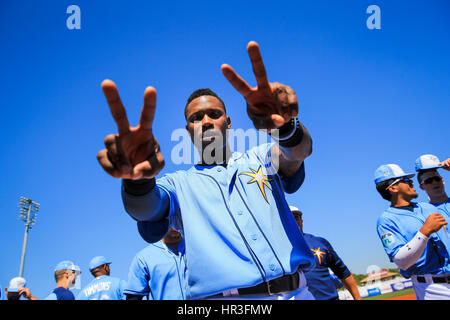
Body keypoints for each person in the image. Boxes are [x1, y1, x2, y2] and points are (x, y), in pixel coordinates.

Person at [97, 41, 316, 299]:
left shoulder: (260, 157)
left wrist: (286, 128)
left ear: (229, 122)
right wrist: (138, 181)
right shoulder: (178, 184)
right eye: (196, 118)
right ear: (188, 129)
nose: (206, 121)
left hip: (297, 293)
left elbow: (298, 153)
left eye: (214, 113)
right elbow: (146, 209)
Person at [374, 164, 450, 300]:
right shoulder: (386, 220)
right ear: (393, 188)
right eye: (406, 181)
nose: (411, 183)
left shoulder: (428, 207)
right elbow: (401, 262)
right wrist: (424, 232)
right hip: (431, 289)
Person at [289, 206, 362, 300]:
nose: (294, 221)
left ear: (302, 221)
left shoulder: (319, 242)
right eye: (290, 218)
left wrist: (357, 298)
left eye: (296, 217)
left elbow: (343, 273)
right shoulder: (279, 248)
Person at [124, 228, 186, 300]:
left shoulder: (197, 248)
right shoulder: (143, 258)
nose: (175, 224)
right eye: (170, 219)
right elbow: (133, 297)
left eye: (178, 218)